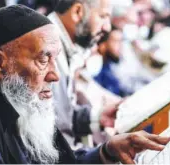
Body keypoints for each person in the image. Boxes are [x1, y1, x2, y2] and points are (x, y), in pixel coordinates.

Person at [0, 5, 170, 164]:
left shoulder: (14, 96)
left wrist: (106, 152)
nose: (54, 75)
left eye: (55, 59)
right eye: (43, 59)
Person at [47, 0, 116, 149]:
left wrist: (99, 117)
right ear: (77, 12)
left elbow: (62, 118)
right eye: (103, 16)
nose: (107, 27)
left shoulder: (64, 46)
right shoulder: (46, 50)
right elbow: (53, 136)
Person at [94, 29, 128, 97]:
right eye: (116, 41)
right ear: (103, 44)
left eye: (121, 41)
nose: (120, 46)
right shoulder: (94, 67)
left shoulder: (109, 67)